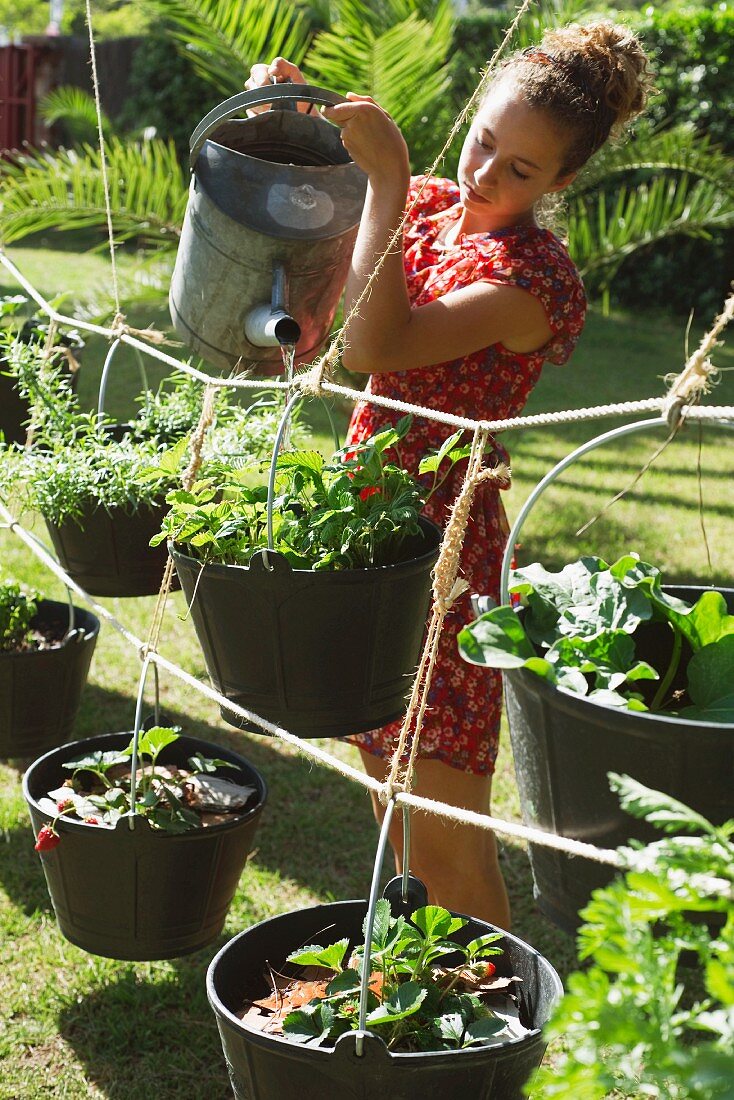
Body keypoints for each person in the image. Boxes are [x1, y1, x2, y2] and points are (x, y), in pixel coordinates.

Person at [246, 21, 652, 929]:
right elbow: (315, 180)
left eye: (521, 170)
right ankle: (445, 1002)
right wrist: (288, 102)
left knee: (443, 834)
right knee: (396, 805)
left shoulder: (533, 280)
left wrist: (387, 181)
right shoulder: (428, 207)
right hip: (369, 532)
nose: (483, 175)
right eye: (483, 142)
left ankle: (496, 1036)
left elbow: (373, 346)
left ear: (562, 184)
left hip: (443, 557)